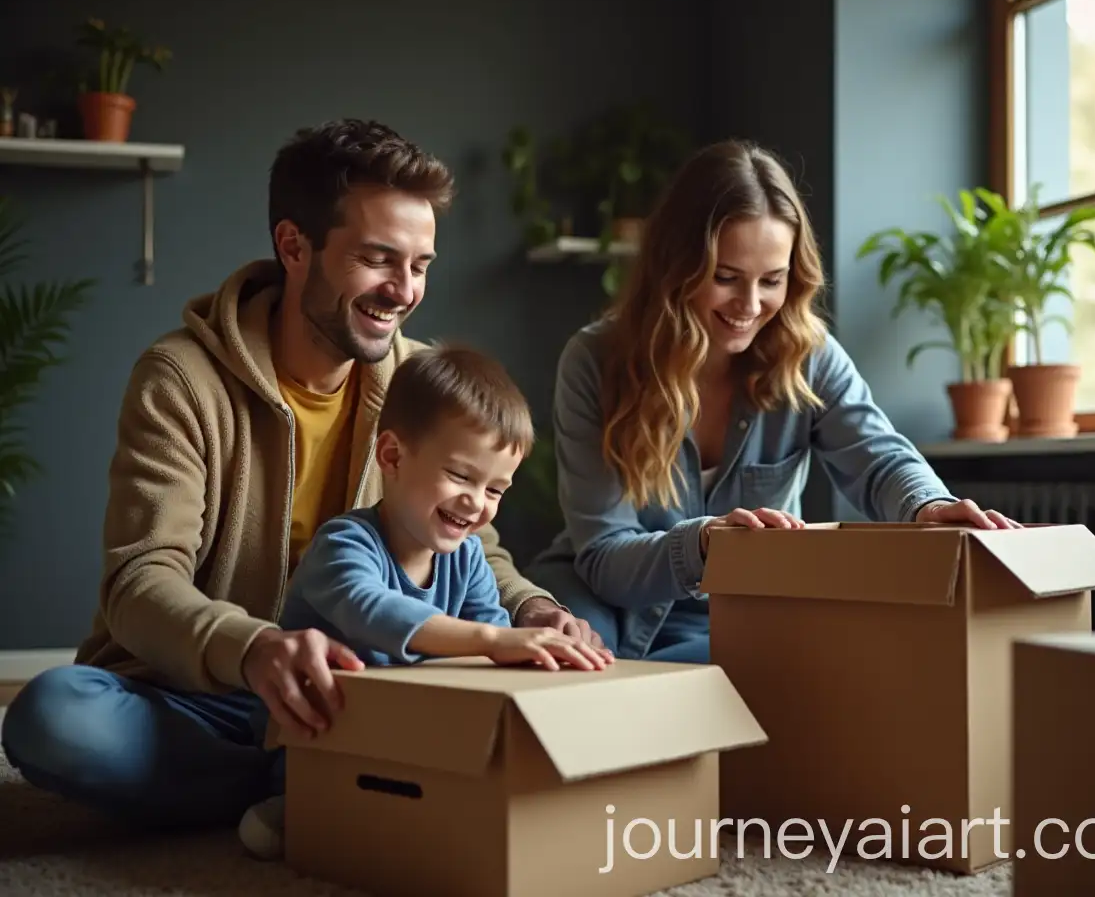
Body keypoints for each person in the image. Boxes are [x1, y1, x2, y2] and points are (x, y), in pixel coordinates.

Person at [0, 119, 604, 832]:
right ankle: (317, 788)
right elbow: (140, 583)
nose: (404, 290)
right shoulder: (181, 379)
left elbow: (473, 546)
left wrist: (533, 611)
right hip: (205, 690)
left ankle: (301, 787)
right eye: (379, 259)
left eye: (420, 264)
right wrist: (254, 650)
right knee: (52, 718)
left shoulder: (418, 377)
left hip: (360, 692)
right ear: (295, 246)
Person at [523, 139, 1021, 664]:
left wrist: (930, 505)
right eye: (726, 277)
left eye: (773, 281)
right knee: (577, 673)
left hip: (742, 607)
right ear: (676, 268)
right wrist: (706, 544)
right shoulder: (594, 361)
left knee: (793, 671)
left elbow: (879, 458)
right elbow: (603, 556)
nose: (750, 305)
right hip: (606, 606)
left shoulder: (809, 357)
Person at [236, 341, 612, 860]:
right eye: (460, 476)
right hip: (319, 739)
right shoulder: (343, 545)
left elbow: (490, 645)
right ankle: (292, 806)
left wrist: (529, 654)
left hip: (411, 737)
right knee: (334, 815)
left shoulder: (469, 558)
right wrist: (493, 638)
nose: (476, 503)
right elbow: (376, 611)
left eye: (496, 489)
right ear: (392, 456)